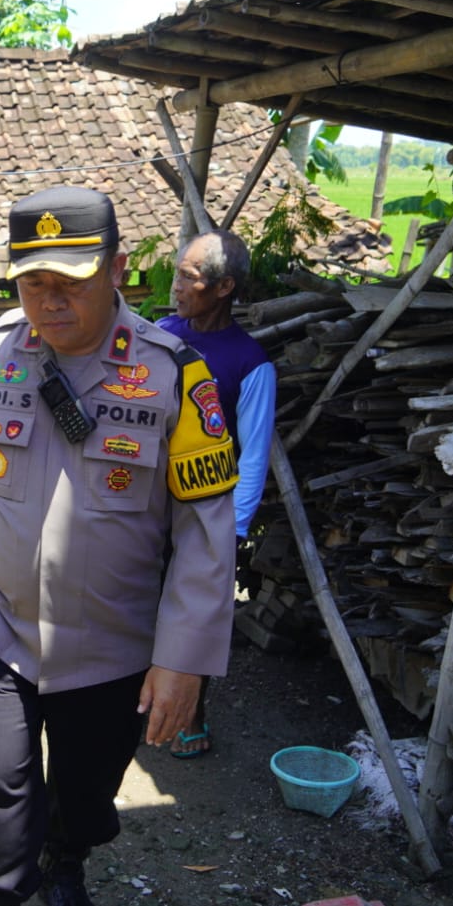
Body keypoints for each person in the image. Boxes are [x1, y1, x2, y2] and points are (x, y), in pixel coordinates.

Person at [0, 186, 240, 906]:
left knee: (85, 796)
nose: (48, 301)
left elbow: (205, 527)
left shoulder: (174, 375)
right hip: (0, 626)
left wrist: (184, 656)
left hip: (115, 642)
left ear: (120, 267)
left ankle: (68, 864)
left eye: (70, 282)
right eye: (31, 283)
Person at [158, 229, 275, 760]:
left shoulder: (251, 363)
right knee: (138, 604)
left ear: (224, 286)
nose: (177, 285)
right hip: (144, 504)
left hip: (206, 513)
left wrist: (235, 527)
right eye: (178, 273)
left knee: (196, 616)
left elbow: (252, 453)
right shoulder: (158, 336)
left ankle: (190, 715)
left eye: (189, 277)